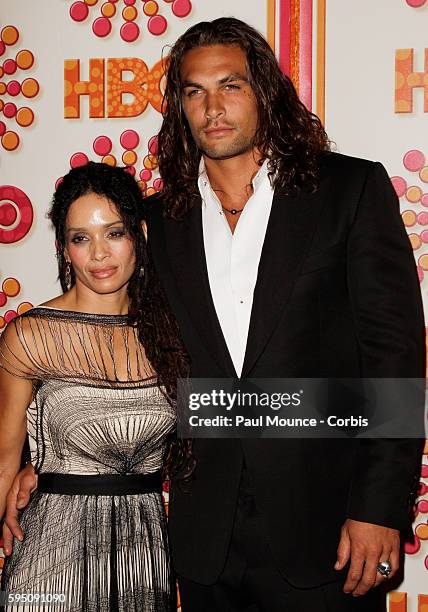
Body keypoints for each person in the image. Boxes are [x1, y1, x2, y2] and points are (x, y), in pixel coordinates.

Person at [4, 17, 426, 612]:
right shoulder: (160, 220)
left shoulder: (347, 191)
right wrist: (44, 461)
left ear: (265, 92)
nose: (213, 107)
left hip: (328, 528)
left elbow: (394, 360)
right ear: (179, 106)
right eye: (194, 91)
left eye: (231, 85)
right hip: (202, 540)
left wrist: (379, 508)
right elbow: (107, 331)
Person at [0, 162, 187, 611]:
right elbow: (4, 459)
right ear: (65, 249)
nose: (99, 254)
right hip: (50, 556)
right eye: (81, 238)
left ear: (139, 233)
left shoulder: (171, 335)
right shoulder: (30, 335)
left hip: (144, 555)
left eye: (114, 233)